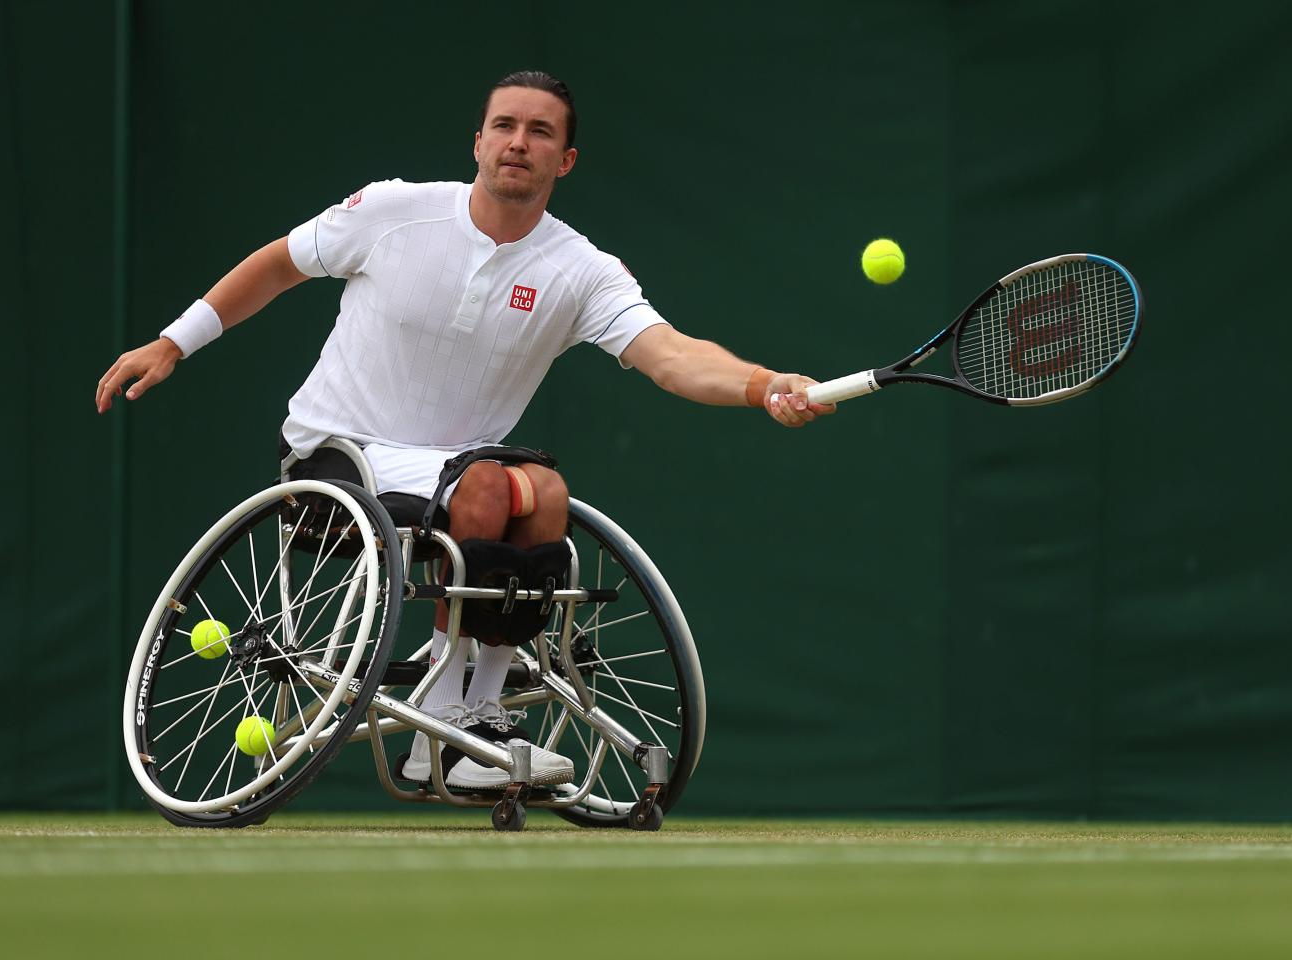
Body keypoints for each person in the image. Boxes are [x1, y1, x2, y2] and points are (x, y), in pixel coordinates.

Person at [96, 70, 834, 789]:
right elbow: (276, 265)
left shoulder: (581, 270)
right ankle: (448, 726)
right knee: (486, 482)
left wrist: (764, 385)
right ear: (477, 143)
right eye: (505, 126)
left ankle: (473, 714)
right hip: (334, 455)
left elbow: (671, 355)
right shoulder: (392, 211)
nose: (519, 142)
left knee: (543, 490)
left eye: (540, 132)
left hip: (457, 469)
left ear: (564, 160)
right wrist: (171, 342)